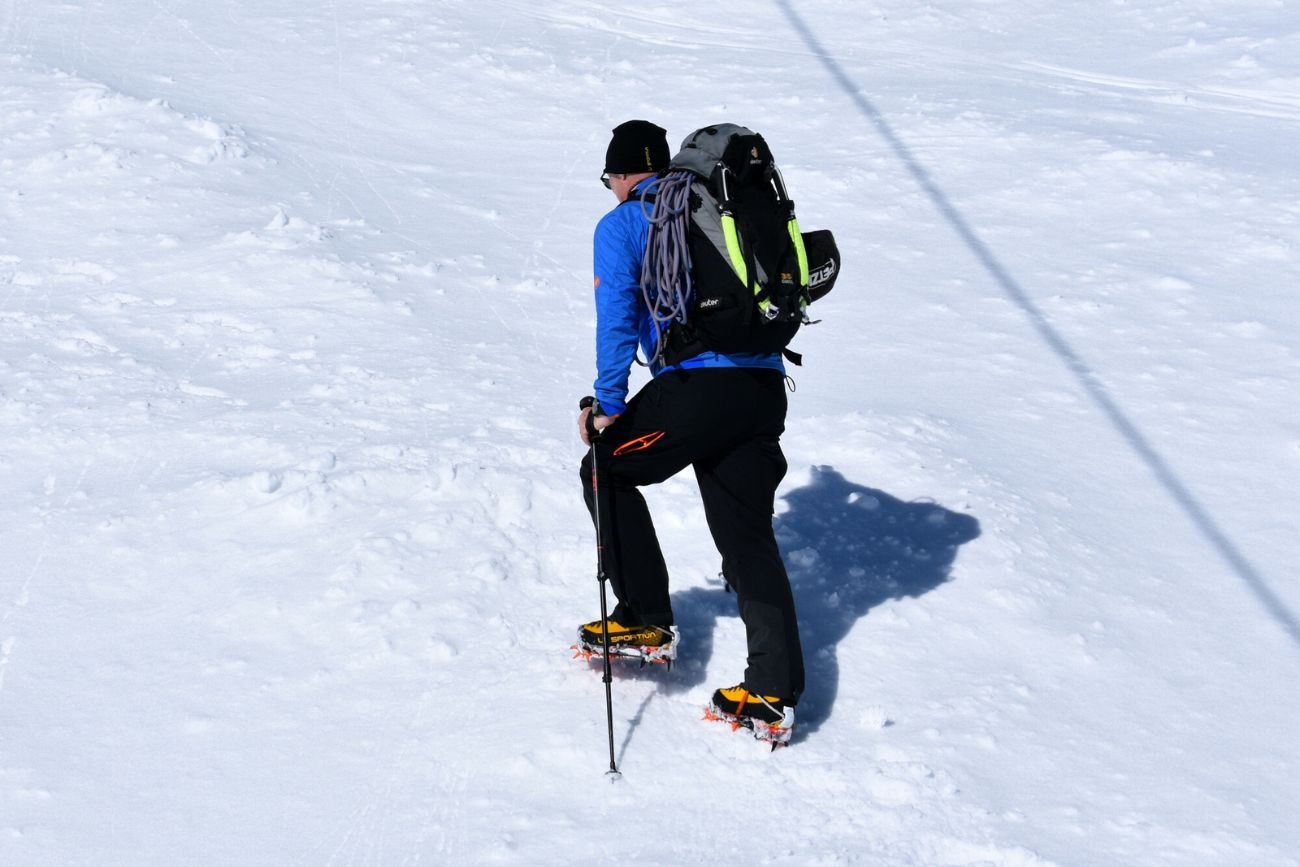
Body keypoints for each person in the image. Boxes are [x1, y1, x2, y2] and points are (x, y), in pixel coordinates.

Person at [576, 119, 805, 741]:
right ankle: (772, 692)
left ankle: (645, 616)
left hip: (700, 389)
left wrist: (606, 405)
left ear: (624, 175)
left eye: (610, 178)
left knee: (604, 468)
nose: (611, 188)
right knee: (747, 537)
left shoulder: (627, 222)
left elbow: (616, 313)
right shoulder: (713, 208)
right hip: (764, 386)